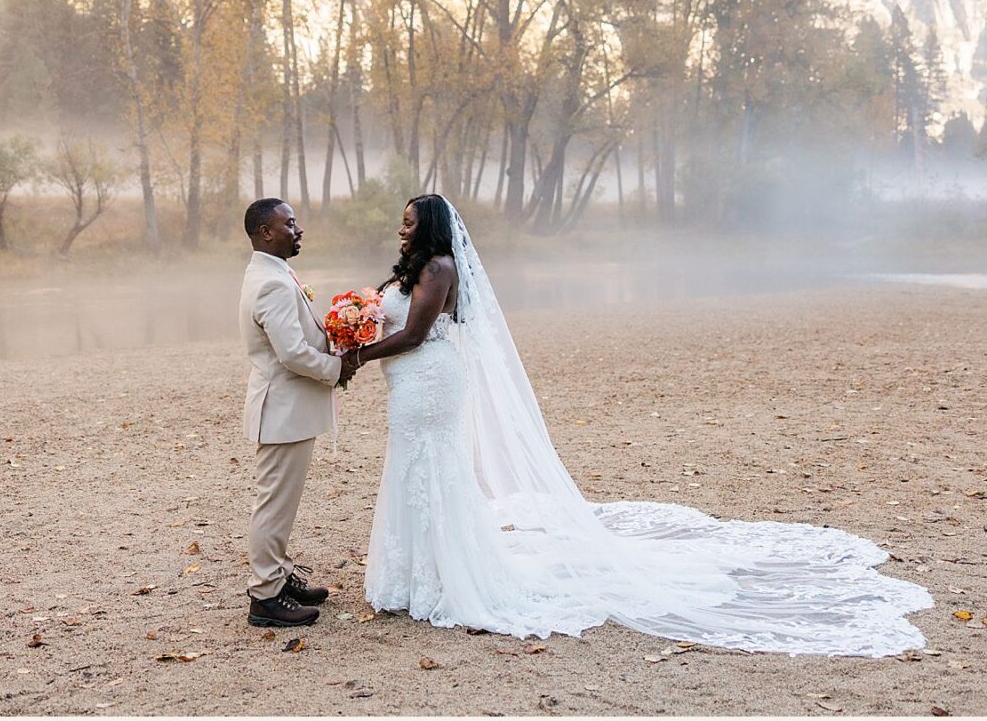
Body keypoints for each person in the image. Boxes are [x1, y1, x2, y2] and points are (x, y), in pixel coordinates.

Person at [345, 193, 934, 654]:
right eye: (401, 221)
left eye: (409, 221)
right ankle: (414, 575)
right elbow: (394, 318)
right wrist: (357, 322)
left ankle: (441, 579)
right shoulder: (414, 267)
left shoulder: (441, 266)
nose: (402, 228)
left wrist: (357, 356)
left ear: (431, 228)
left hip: (430, 381)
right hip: (411, 382)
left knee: (433, 469)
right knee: (414, 468)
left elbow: (418, 333)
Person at [237, 198, 360, 628]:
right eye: (289, 224)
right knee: (273, 505)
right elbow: (289, 352)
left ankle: (280, 574)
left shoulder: (274, 271)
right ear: (266, 232)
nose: (298, 229)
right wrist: (336, 367)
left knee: (282, 504)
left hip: (289, 410)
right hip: (282, 411)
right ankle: (265, 596)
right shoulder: (270, 282)